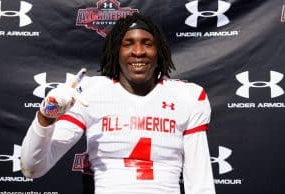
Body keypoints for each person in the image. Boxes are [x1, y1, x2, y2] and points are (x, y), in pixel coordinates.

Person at [20, 13, 216, 194]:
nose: (138, 51)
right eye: (128, 43)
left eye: (147, 43)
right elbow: (32, 169)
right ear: (116, 50)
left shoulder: (187, 96)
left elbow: (200, 183)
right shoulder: (90, 93)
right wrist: (46, 116)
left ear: (159, 51)